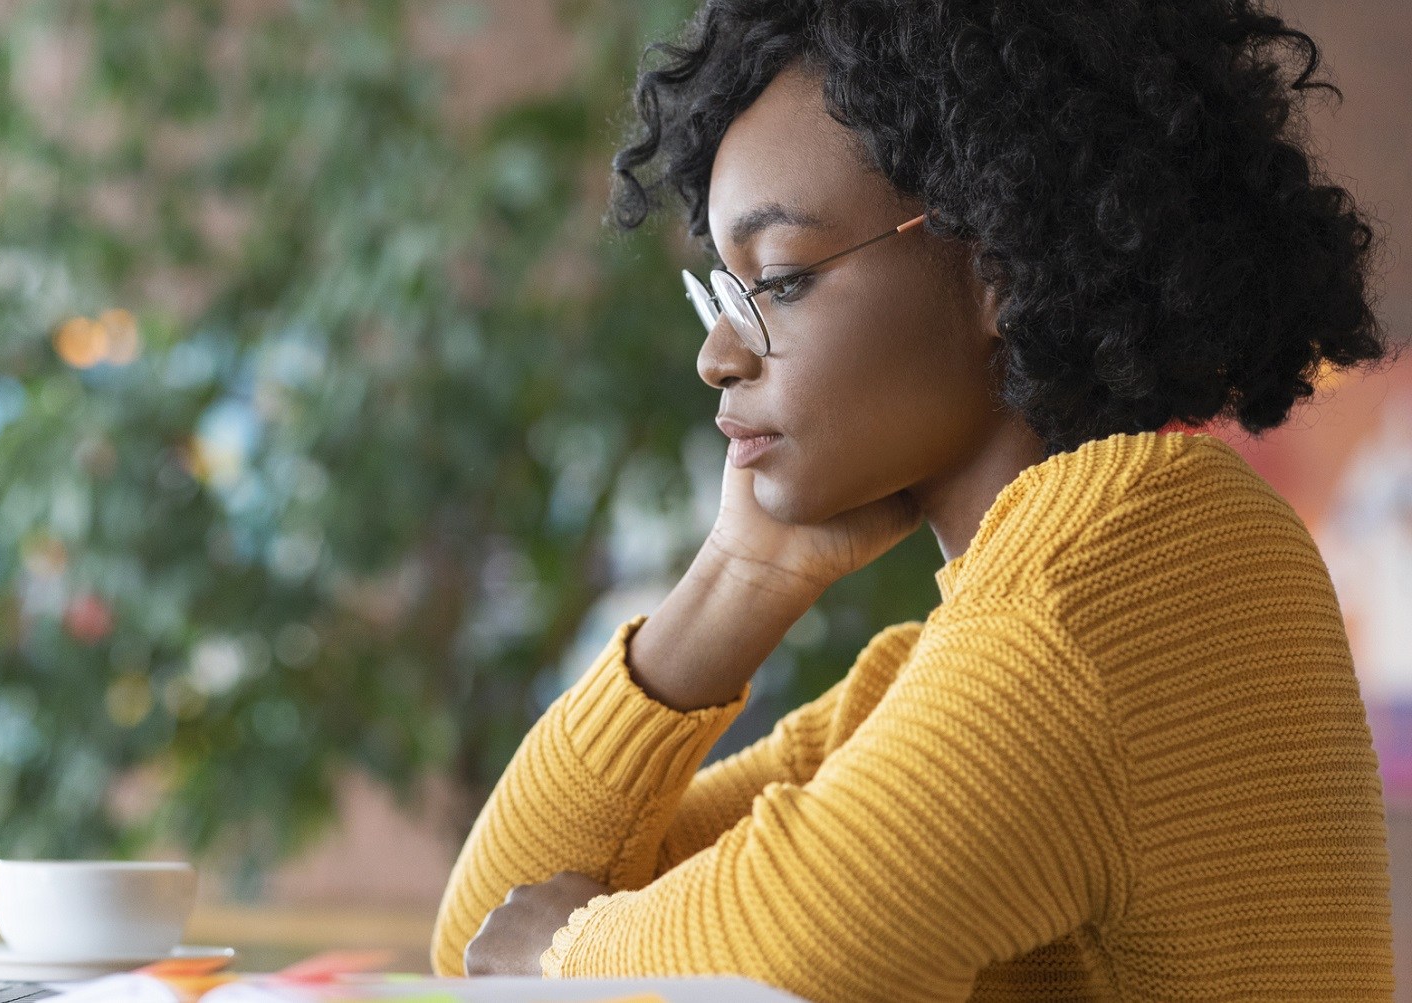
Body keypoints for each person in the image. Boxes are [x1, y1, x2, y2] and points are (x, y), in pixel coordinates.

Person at [429, 1, 1401, 999]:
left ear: (1000, 269)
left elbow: (806, 949)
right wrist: (739, 576)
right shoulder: (937, 670)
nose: (718, 355)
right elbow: (480, 931)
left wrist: (564, 950)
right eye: (726, 293)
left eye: (783, 278)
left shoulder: (1136, 555)